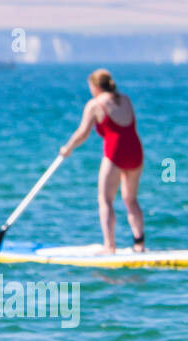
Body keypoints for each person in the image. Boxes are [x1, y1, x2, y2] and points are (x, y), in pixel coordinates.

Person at [60, 69, 145, 253]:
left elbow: (83, 133)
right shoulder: (126, 99)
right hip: (136, 152)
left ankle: (110, 246)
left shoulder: (94, 105)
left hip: (115, 153)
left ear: (96, 87)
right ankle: (139, 244)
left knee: (105, 200)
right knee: (131, 200)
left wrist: (68, 148)